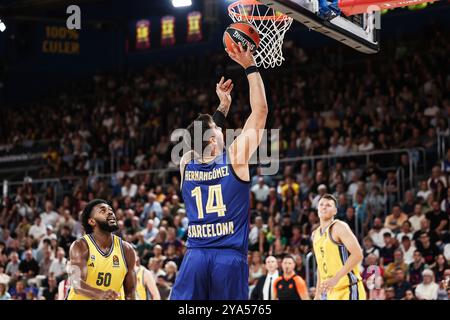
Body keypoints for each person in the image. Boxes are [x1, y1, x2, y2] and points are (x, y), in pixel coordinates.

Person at [171, 43, 268, 300]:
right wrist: (250, 67)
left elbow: (200, 144)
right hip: (228, 258)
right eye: (216, 128)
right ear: (213, 140)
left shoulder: (186, 164)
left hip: (194, 259)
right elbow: (260, 112)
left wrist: (222, 109)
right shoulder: (235, 159)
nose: (220, 128)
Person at [66, 199, 136, 300]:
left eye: (110, 210)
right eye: (103, 211)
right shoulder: (81, 246)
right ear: (91, 221)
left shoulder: (127, 250)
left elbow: (130, 293)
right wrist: (98, 293)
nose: (110, 212)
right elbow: (76, 283)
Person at [312, 194, 366, 300]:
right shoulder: (315, 234)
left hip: (349, 289)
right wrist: (317, 294)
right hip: (331, 293)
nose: (323, 207)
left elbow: (358, 254)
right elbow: (320, 264)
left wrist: (335, 279)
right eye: (321, 204)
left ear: (335, 211)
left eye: (328, 205)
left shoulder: (339, 227)